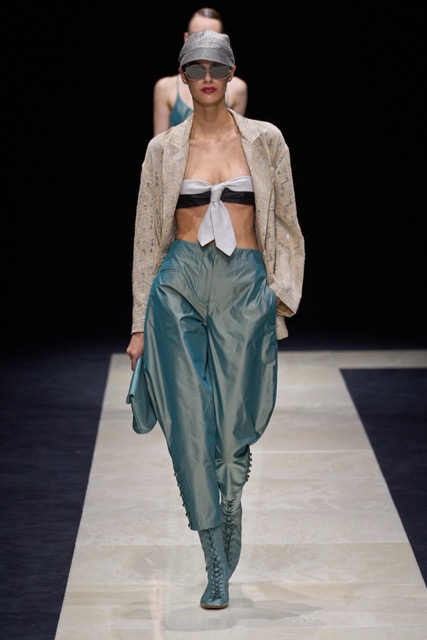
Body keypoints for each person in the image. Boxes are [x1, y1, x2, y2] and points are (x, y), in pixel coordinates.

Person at [126, 30, 305, 610]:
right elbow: (146, 237)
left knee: (233, 434)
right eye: (196, 67)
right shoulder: (163, 150)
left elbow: (286, 223)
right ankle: (213, 562)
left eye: (217, 67)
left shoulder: (266, 139)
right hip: (178, 284)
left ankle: (229, 509)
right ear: (183, 76)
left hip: (244, 286)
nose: (207, 77)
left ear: (231, 73)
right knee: (190, 426)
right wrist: (139, 323)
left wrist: (279, 296)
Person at [153, 7, 247, 135]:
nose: (204, 42)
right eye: (196, 36)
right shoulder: (165, 87)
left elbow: (236, 139)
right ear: (186, 38)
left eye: (212, 36)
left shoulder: (237, 88)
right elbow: (159, 143)